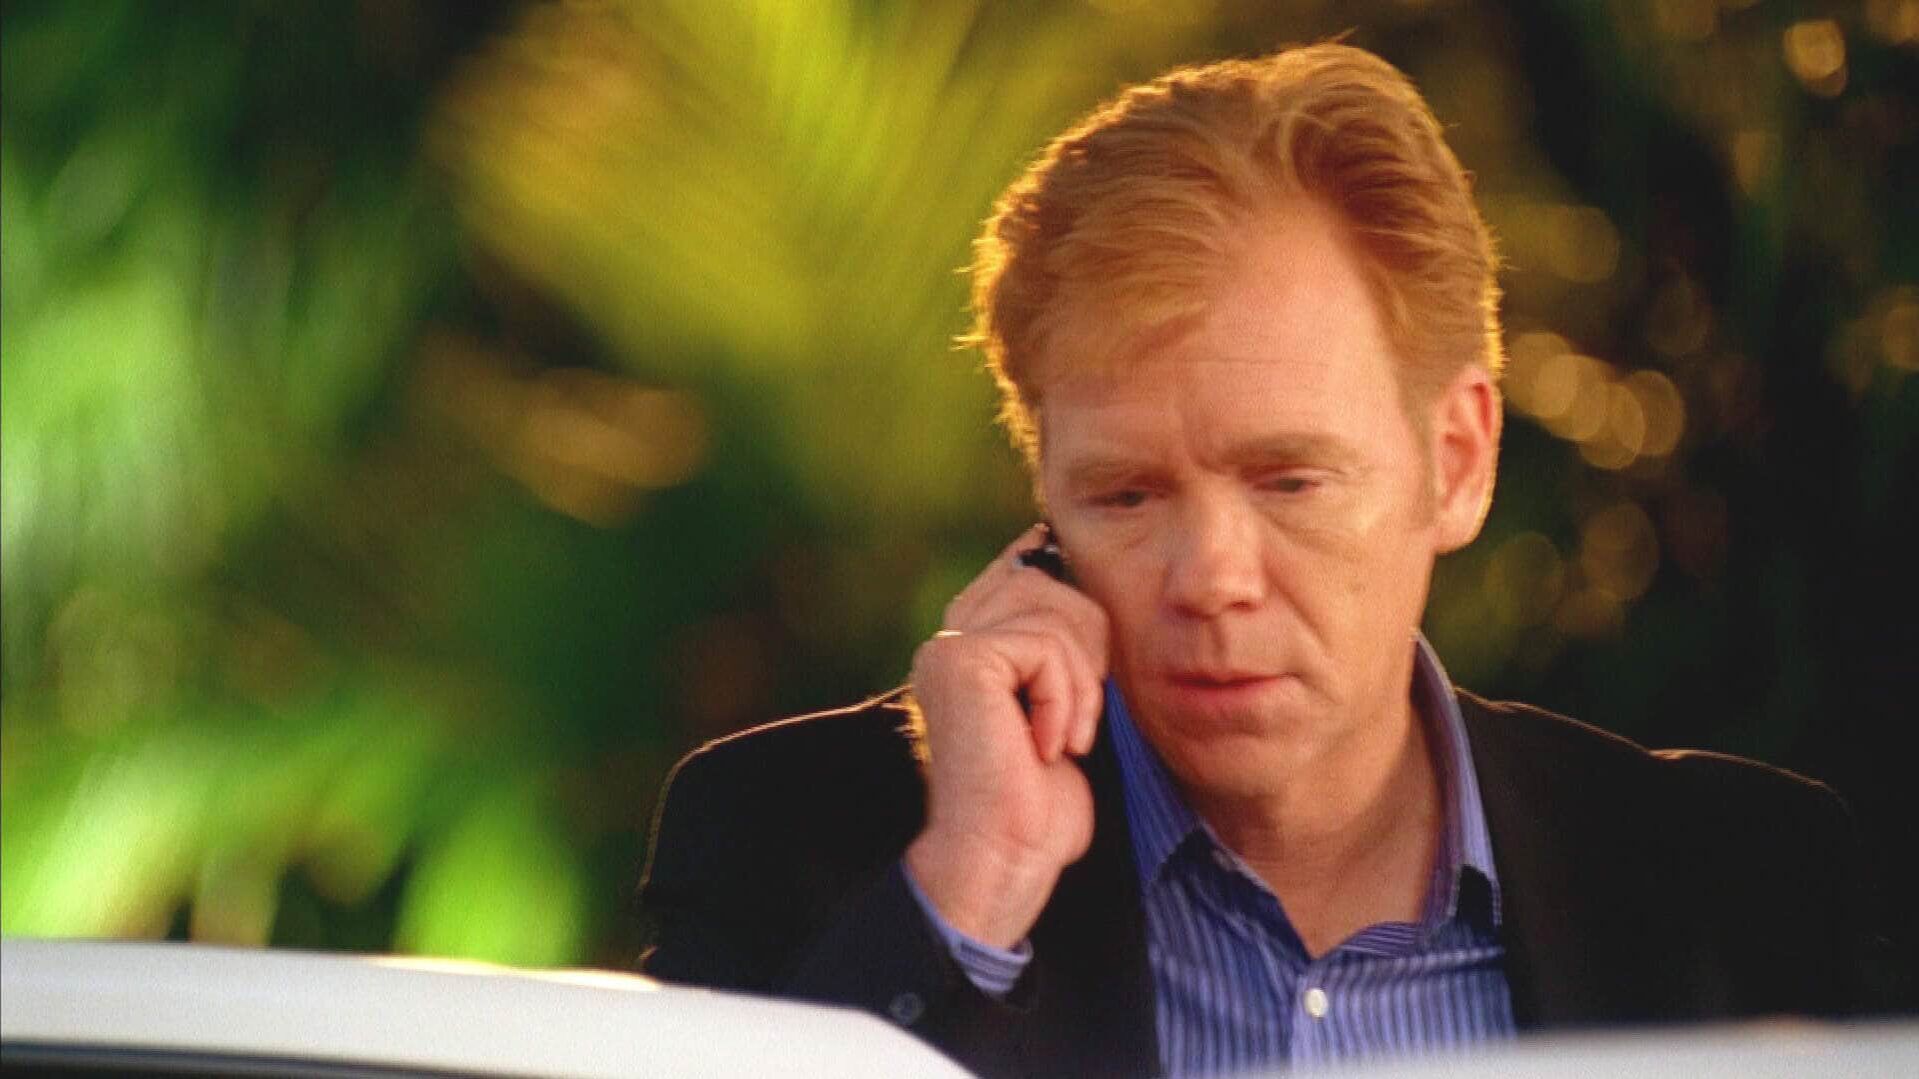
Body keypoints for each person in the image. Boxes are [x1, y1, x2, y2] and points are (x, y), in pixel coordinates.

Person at [636, 43, 1907, 1078]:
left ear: (1456, 459)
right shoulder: (797, 846)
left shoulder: (1742, 878)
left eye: (1288, 479)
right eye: (1125, 494)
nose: (1208, 578)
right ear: (1043, 513)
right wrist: (966, 901)